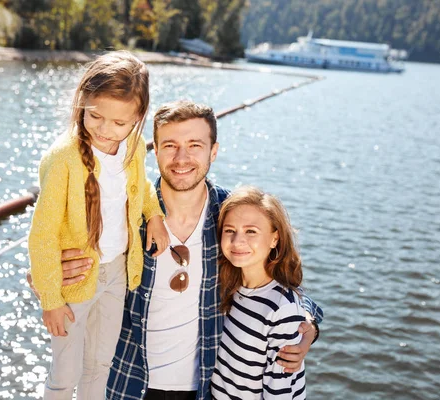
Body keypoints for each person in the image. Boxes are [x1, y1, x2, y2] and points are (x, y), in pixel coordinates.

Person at [49, 100, 323, 399]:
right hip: (127, 381)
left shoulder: (230, 217)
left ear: (213, 152)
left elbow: (277, 280)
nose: (182, 158)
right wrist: (45, 276)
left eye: (194, 145)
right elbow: (56, 245)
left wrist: (308, 322)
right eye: (170, 145)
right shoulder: (124, 212)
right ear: (155, 152)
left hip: (204, 386)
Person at [27, 51, 169, 400]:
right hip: (72, 282)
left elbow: (142, 186)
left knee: (99, 366)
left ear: (138, 116)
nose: (106, 130)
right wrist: (50, 298)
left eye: (119, 123)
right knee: (65, 373)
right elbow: (42, 233)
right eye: (95, 116)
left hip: (116, 273)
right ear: (82, 102)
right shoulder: (63, 159)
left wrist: (154, 214)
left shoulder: (133, 147)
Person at [211, 187, 307, 399]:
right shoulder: (228, 287)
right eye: (229, 230)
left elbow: (279, 392)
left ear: (275, 238)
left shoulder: (282, 309)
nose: (237, 241)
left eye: (251, 231)